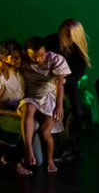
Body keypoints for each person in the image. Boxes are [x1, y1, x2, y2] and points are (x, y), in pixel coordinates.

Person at [0, 39, 39, 175]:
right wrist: (13, 113)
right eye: (14, 57)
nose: (18, 60)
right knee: (34, 124)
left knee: (38, 161)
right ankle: (15, 162)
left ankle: (11, 151)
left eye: (19, 56)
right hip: (5, 116)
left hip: (23, 112)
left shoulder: (21, 70)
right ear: (3, 58)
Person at [19, 35, 70, 173]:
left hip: (49, 96)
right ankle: (28, 149)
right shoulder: (23, 59)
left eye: (41, 55)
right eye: (34, 56)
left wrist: (59, 106)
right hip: (32, 96)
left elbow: (60, 84)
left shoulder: (55, 59)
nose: (38, 59)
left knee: (45, 131)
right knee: (29, 108)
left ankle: (50, 160)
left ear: (45, 50)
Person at [46, 19, 92, 138]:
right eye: (64, 34)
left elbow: (79, 71)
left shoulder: (78, 47)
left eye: (69, 35)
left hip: (68, 81)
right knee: (48, 110)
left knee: (77, 112)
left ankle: (69, 140)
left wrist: (65, 80)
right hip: (48, 80)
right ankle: (53, 139)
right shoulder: (50, 41)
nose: (66, 38)